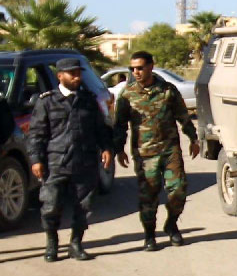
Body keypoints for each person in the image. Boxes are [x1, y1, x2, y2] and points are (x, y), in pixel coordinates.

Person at [112, 51, 200, 250]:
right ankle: (149, 234)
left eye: (140, 68)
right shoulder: (127, 94)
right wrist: (119, 149)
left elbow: (182, 116)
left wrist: (193, 138)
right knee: (148, 196)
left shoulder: (167, 90)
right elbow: (119, 125)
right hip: (144, 154)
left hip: (170, 150)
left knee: (178, 190)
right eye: (133, 68)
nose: (136, 72)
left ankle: (171, 225)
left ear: (151, 67)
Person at [27, 58, 113, 262]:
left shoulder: (88, 100)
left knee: (84, 206)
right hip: (55, 163)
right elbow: (37, 134)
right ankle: (52, 244)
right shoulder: (47, 101)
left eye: (78, 73)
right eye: (71, 73)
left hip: (85, 161)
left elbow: (100, 128)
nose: (77, 77)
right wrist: (36, 159)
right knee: (50, 206)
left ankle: (76, 244)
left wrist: (107, 148)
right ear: (60, 76)